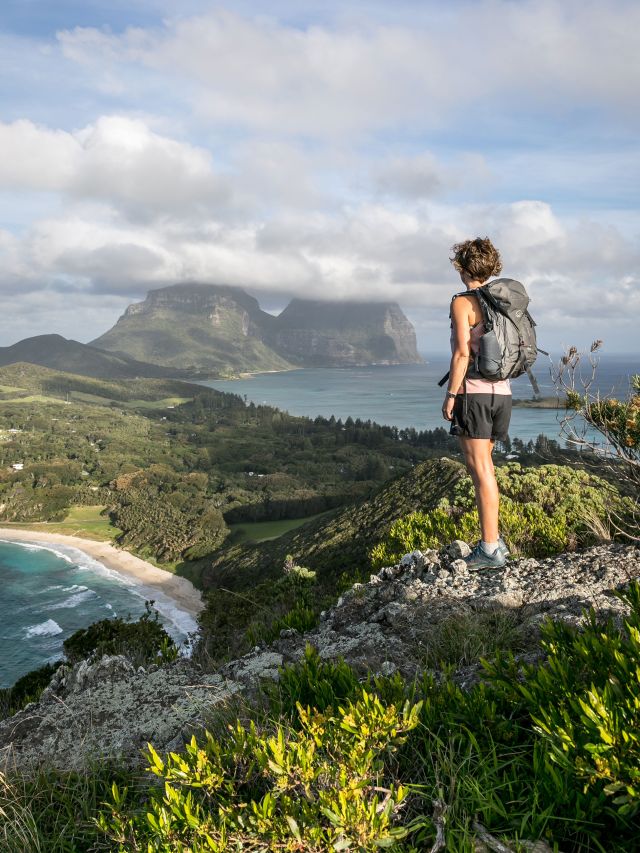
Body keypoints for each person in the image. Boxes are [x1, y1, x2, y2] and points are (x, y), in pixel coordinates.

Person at [442, 237, 511, 570]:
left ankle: (489, 549)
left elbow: (461, 353)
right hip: (503, 394)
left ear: (462, 267)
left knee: (480, 471)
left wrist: (451, 395)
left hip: (474, 393)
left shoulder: (463, 303)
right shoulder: (502, 301)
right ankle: (495, 541)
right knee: (488, 469)